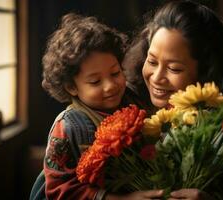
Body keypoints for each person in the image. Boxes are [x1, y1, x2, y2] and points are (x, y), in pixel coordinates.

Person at [123, 0, 223, 199]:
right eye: (151, 61)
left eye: (174, 68)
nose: (157, 77)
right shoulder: (131, 107)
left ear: (204, 71)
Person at [29, 13, 163, 200]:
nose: (110, 85)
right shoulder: (68, 127)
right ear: (71, 87)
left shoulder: (134, 101)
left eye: (115, 73)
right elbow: (60, 189)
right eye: (95, 81)